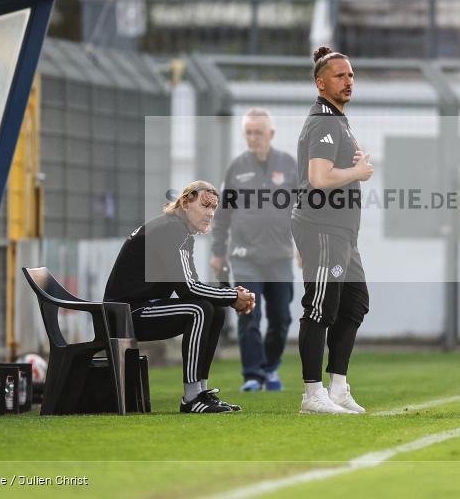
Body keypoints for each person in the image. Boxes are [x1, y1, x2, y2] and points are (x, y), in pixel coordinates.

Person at [104, 181, 256, 414]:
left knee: (213, 308)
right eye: (205, 205)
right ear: (185, 202)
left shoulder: (176, 229)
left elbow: (188, 286)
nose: (210, 213)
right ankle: (193, 398)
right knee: (200, 309)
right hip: (126, 314)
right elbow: (189, 289)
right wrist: (233, 295)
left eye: (214, 208)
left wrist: (229, 298)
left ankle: (201, 393)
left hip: (136, 308)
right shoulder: (172, 229)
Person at [291, 46, 373, 415]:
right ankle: (312, 394)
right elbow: (319, 178)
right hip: (322, 227)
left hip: (341, 232)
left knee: (354, 303)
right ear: (321, 83)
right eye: (340, 76)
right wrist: (358, 173)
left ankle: (338, 387)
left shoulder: (337, 118)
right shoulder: (324, 119)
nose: (348, 81)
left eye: (351, 75)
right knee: (321, 306)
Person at [210, 108, 298, 392]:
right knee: (249, 314)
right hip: (244, 256)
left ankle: (270, 368)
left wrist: (304, 247)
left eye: (257, 132)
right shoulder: (236, 168)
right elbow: (222, 215)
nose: (252, 138)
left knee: (281, 318)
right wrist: (218, 252)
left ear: (270, 134)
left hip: (280, 256)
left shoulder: (288, 165)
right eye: (248, 132)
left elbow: (304, 210)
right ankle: (253, 375)